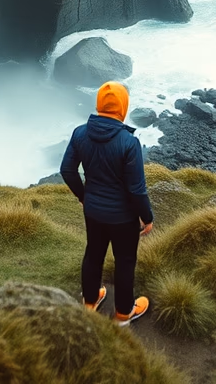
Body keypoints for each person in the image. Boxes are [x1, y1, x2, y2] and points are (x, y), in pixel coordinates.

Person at [59, 80, 154, 326]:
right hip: (123, 218)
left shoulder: (80, 133)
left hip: (94, 212)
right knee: (125, 261)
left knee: (93, 254)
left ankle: (90, 303)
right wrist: (147, 217)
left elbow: (67, 170)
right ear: (122, 106)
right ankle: (123, 314)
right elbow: (136, 189)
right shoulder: (129, 142)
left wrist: (83, 196)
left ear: (100, 103)